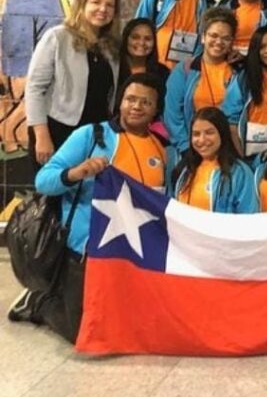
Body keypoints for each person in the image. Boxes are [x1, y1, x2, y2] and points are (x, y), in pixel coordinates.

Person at [11, 74, 171, 337]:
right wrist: (76, 172)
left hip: (135, 250)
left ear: (155, 110)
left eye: (146, 102)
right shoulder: (92, 136)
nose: (137, 106)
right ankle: (38, 301)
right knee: (80, 331)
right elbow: (43, 181)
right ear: (119, 102)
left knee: (126, 323)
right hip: (87, 248)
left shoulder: (161, 149)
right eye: (131, 99)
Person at [25, 0, 120, 168]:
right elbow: (35, 88)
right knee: (52, 194)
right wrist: (42, 136)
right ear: (82, 4)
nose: (103, 9)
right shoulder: (57, 37)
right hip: (57, 131)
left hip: (94, 136)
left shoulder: (111, 47)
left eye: (110, 5)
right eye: (96, 2)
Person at [163, 8, 239, 152]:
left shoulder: (238, 73)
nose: (219, 42)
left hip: (228, 149)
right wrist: (186, 147)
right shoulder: (185, 69)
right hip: (192, 147)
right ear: (203, 37)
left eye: (226, 38)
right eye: (213, 35)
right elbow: (172, 114)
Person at [170, 107, 259, 213]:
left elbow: (248, 218)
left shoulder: (240, 173)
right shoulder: (184, 170)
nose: (202, 140)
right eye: (196, 134)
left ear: (222, 134)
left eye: (209, 132)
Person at [222, 27, 267, 158]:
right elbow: (231, 123)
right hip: (244, 151)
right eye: (262, 47)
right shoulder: (243, 78)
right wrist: (240, 158)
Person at [117, 17, 169, 86]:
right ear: (126, 39)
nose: (142, 43)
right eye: (135, 37)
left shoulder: (163, 73)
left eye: (147, 39)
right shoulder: (114, 68)